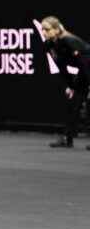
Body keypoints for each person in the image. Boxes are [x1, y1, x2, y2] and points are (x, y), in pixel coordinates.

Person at [41, 16, 90, 149]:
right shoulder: (48, 45)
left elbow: (85, 63)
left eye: (47, 29)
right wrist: (70, 86)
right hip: (83, 70)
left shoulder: (69, 41)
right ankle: (67, 139)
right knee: (73, 101)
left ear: (56, 30)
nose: (43, 32)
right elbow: (60, 66)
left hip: (87, 67)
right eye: (42, 29)